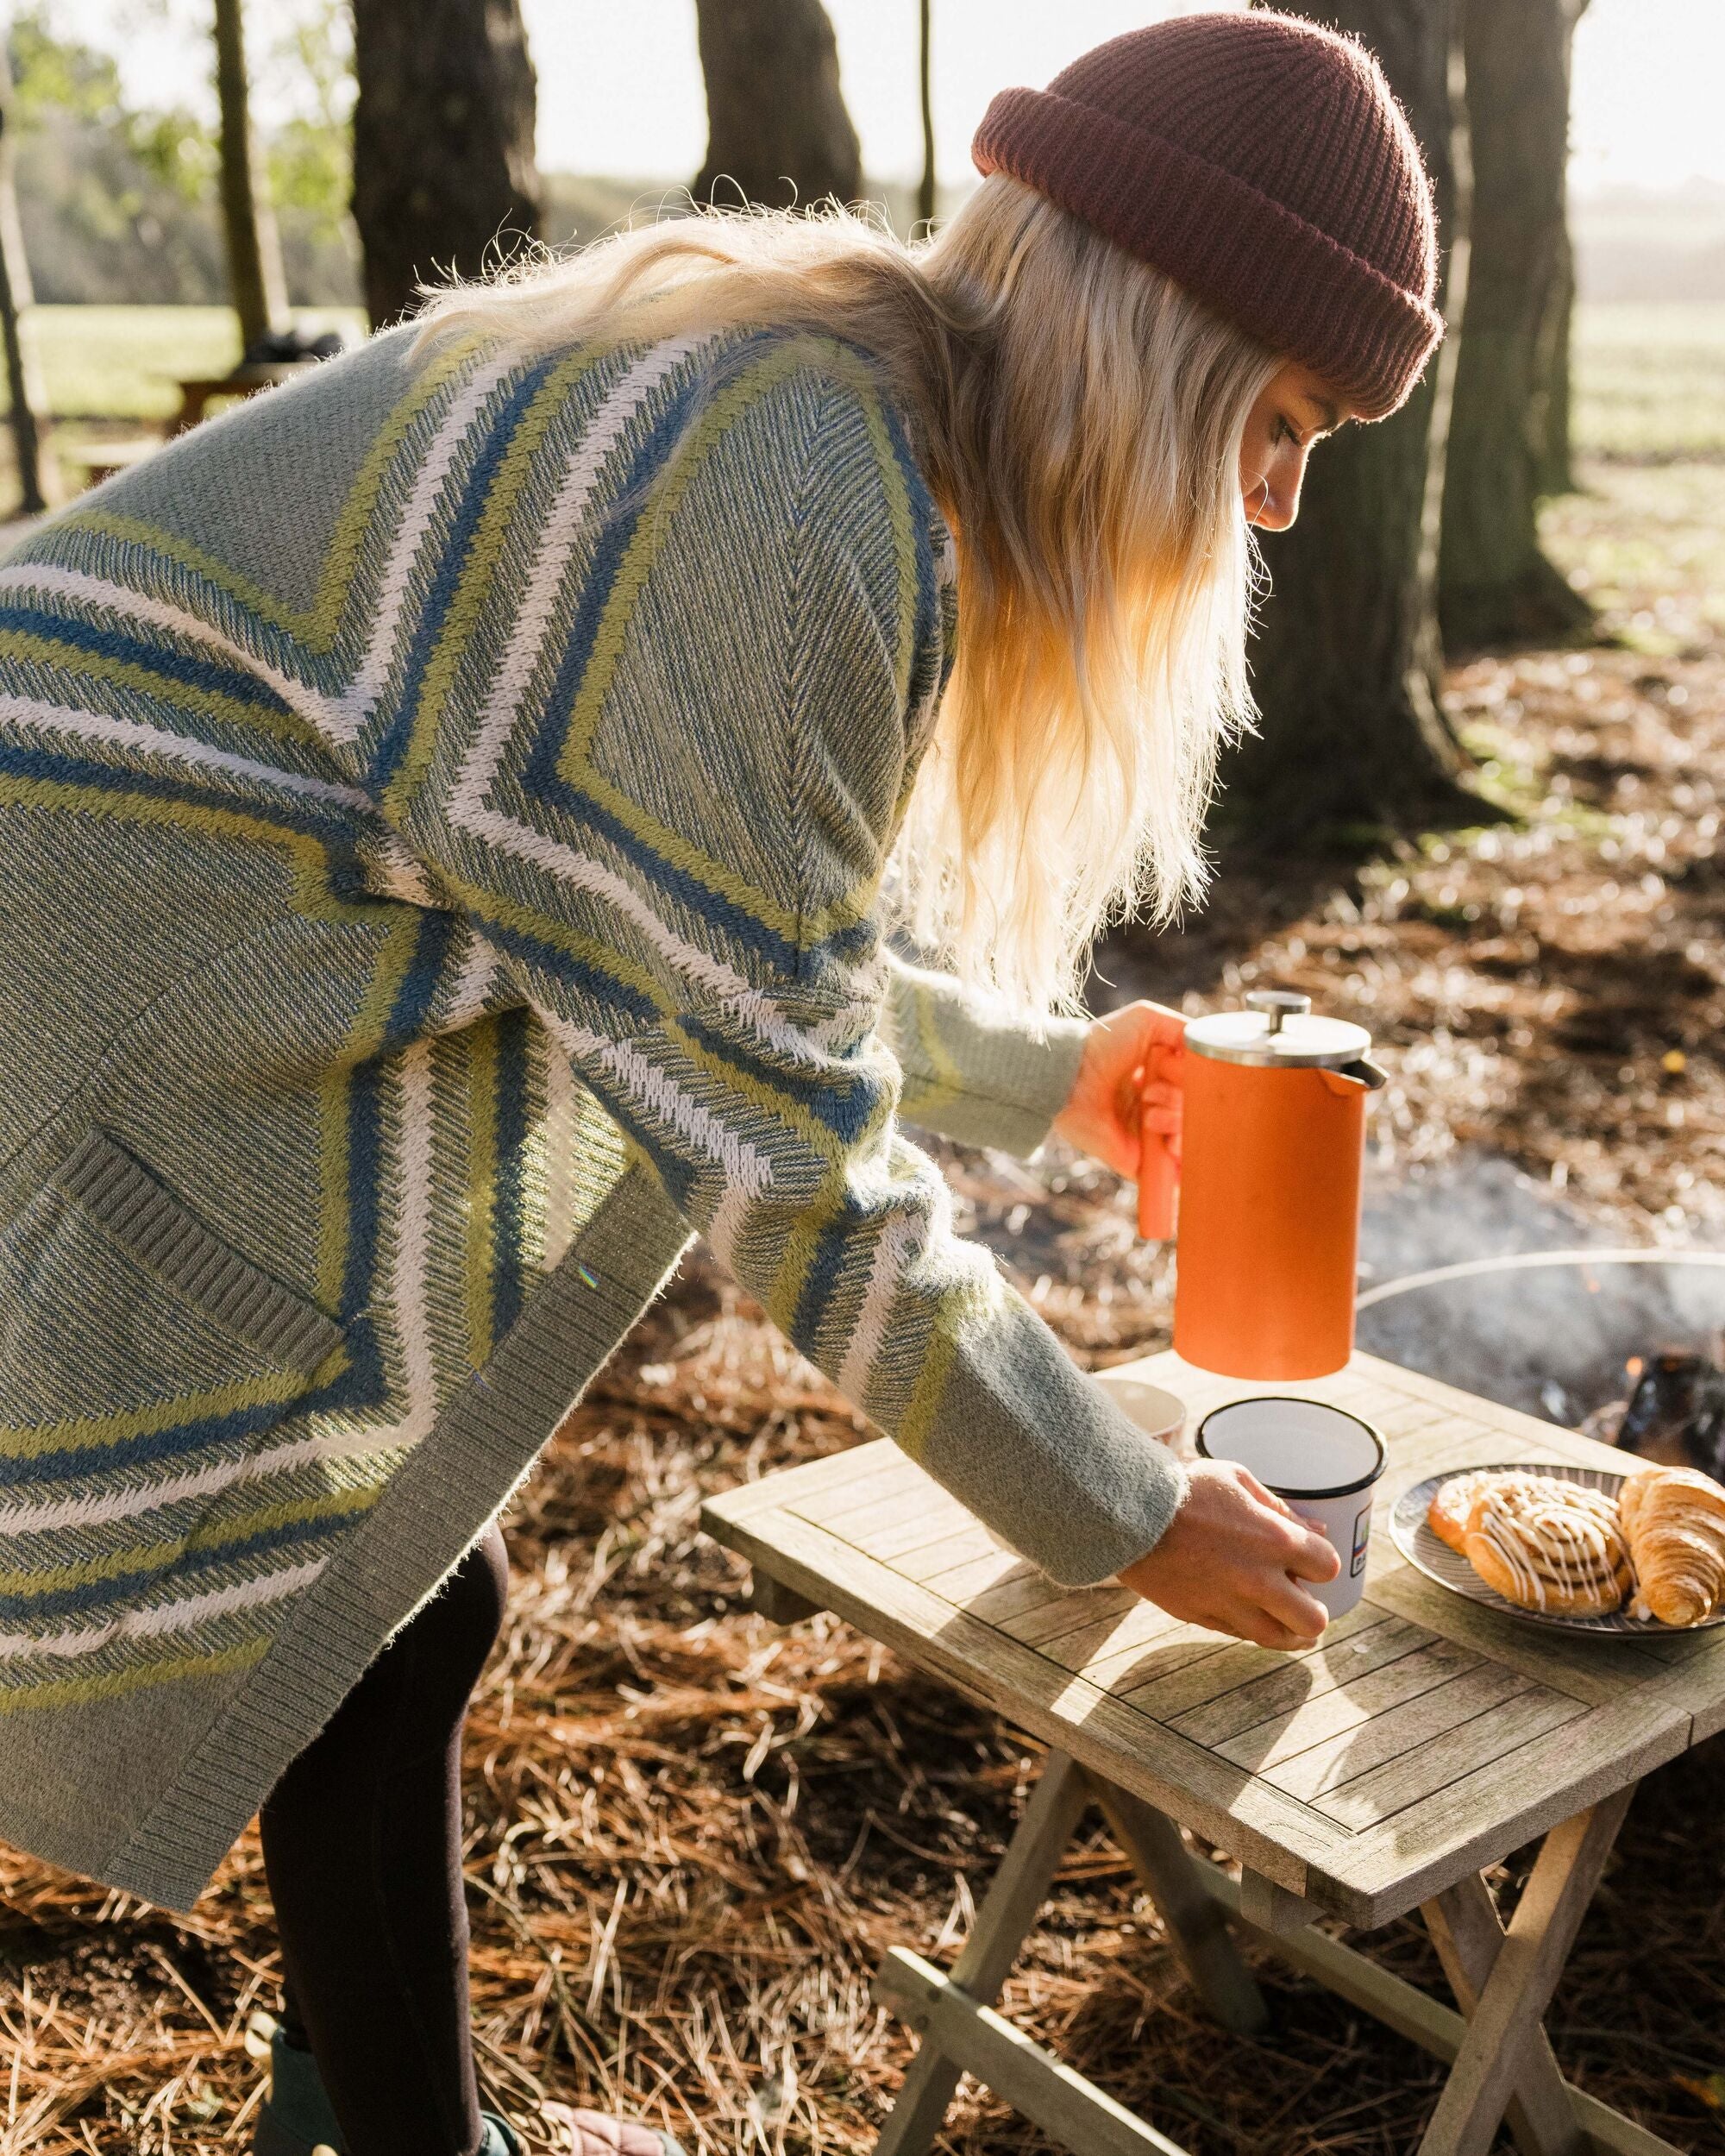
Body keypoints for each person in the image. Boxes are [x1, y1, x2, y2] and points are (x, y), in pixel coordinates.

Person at [0, 12, 1441, 2153]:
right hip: (81, 970)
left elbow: (693, 933)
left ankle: (368, 2110)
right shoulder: (788, 489)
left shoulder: (836, 410)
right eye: (1285, 417)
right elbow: (795, 1171)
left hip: (152, 972)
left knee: (389, 1587)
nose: (1279, 498)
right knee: (360, 1575)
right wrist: (1122, 1508)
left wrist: (1053, 1075)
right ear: (1164, 327)